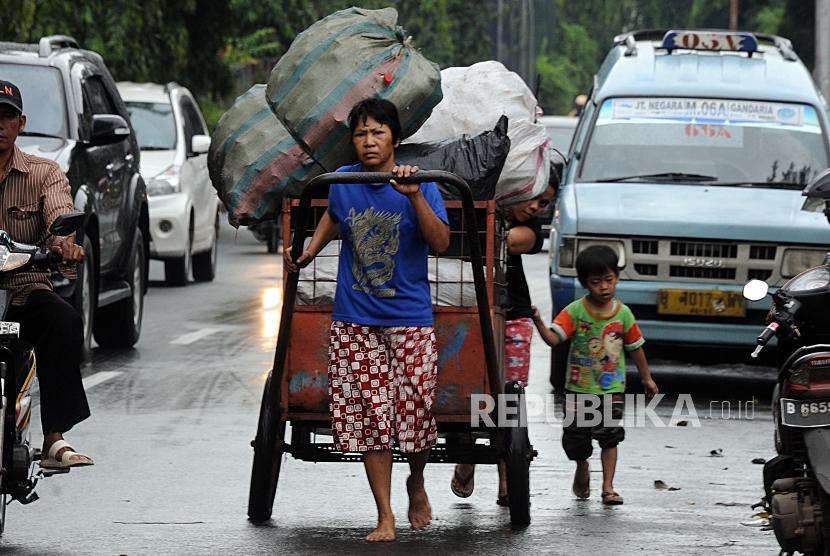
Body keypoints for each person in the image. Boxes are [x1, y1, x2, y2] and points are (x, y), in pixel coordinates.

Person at [284, 98, 449, 542]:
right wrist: (310, 250)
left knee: (415, 412)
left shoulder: (422, 183)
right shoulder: (341, 183)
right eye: (360, 134)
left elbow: (442, 242)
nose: (369, 141)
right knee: (373, 417)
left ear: (395, 138)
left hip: (410, 318)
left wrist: (415, 198)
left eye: (377, 132)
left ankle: (416, 481)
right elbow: (334, 220)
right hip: (355, 319)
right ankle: (385, 515)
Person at [0, 80, 93, 468]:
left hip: (23, 291)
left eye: (6, 117)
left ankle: (54, 438)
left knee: (65, 320)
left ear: (21, 123)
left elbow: (60, 212)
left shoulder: (44, 172)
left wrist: (62, 243)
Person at [450, 181, 557, 505]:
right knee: (463, 387)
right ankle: (466, 456)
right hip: (461, 309)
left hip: (514, 314)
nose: (538, 207)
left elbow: (521, 241)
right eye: (535, 199)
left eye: (545, 203)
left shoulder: (523, 225)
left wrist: (491, 230)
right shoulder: (479, 194)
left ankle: (508, 479)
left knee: (509, 398)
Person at [531, 245, 658, 505]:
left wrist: (646, 377)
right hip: (578, 391)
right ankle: (582, 466)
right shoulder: (575, 311)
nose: (604, 287)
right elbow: (554, 340)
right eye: (596, 282)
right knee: (576, 440)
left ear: (617, 278)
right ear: (585, 284)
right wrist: (539, 322)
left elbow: (636, 347)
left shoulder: (623, 314)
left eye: (609, 280)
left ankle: (608, 487)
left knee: (610, 437)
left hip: (611, 390)